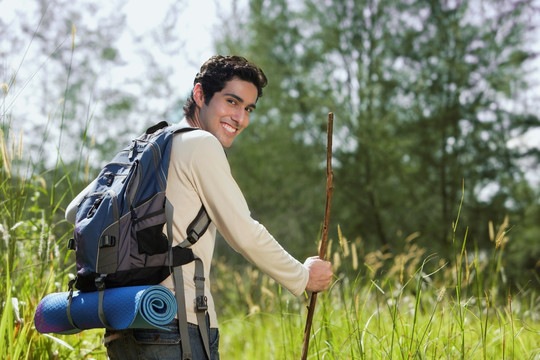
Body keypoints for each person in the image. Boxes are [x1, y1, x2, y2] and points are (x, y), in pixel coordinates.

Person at [66, 55, 333, 360]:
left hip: (125, 320)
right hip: (176, 324)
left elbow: (76, 212)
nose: (240, 118)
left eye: (248, 109)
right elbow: (243, 232)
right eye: (231, 102)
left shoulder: (149, 144)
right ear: (199, 94)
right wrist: (302, 276)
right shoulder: (201, 144)